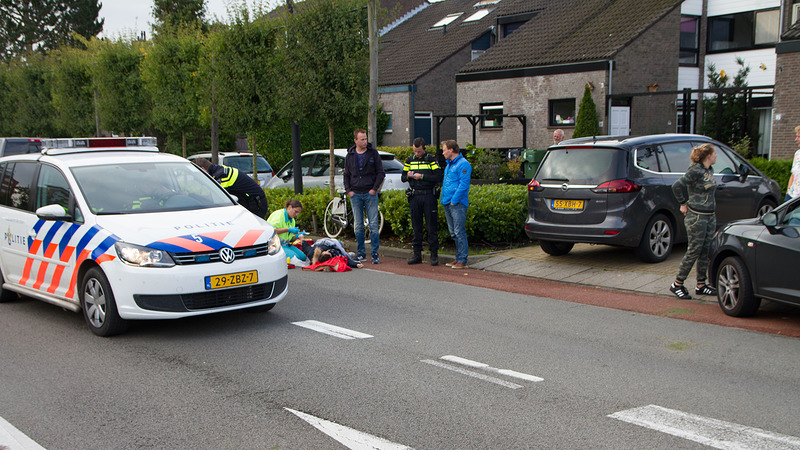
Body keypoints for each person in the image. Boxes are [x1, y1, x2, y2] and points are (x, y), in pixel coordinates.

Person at [669, 143, 718, 300]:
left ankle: (701, 285)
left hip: (709, 215)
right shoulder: (695, 170)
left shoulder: (709, 170)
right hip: (697, 216)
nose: (716, 156)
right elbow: (676, 186)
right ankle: (677, 284)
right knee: (694, 250)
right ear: (708, 155)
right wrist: (683, 203)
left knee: (705, 250)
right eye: (715, 153)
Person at [343, 129, 385, 264]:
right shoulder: (350, 155)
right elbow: (346, 174)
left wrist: (374, 189)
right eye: (362, 139)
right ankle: (361, 253)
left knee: (373, 224)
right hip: (355, 193)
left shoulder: (373, 153)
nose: (365, 141)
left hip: (370, 193)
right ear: (355, 140)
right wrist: (348, 190)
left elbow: (380, 172)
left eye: (365, 139)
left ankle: (374, 254)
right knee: (358, 225)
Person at [402, 137, 444, 266]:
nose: (417, 154)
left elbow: (438, 176)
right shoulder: (410, 160)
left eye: (419, 151)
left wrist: (423, 177)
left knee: (431, 226)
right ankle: (417, 254)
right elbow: (403, 177)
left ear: (423, 148)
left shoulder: (431, 159)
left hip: (428, 195)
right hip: (415, 196)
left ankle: (433, 255)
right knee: (416, 226)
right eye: (415, 151)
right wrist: (408, 175)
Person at [194, 157, 268, 218]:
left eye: (196, 174)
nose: (197, 179)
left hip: (257, 204)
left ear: (203, 169)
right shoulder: (218, 170)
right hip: (249, 202)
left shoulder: (222, 176)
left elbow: (220, 199)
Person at [440, 139, 471, 269]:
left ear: (451, 150)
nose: (443, 153)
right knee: (453, 232)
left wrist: (454, 200)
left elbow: (463, 185)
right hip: (448, 202)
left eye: (444, 149)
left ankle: (462, 259)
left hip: (457, 203)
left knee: (459, 231)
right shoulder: (449, 165)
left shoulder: (463, 164)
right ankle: (458, 257)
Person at [786, 125, 800, 202]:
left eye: (798, 137)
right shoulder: (797, 154)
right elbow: (793, 175)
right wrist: (788, 193)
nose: (796, 139)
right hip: (792, 197)